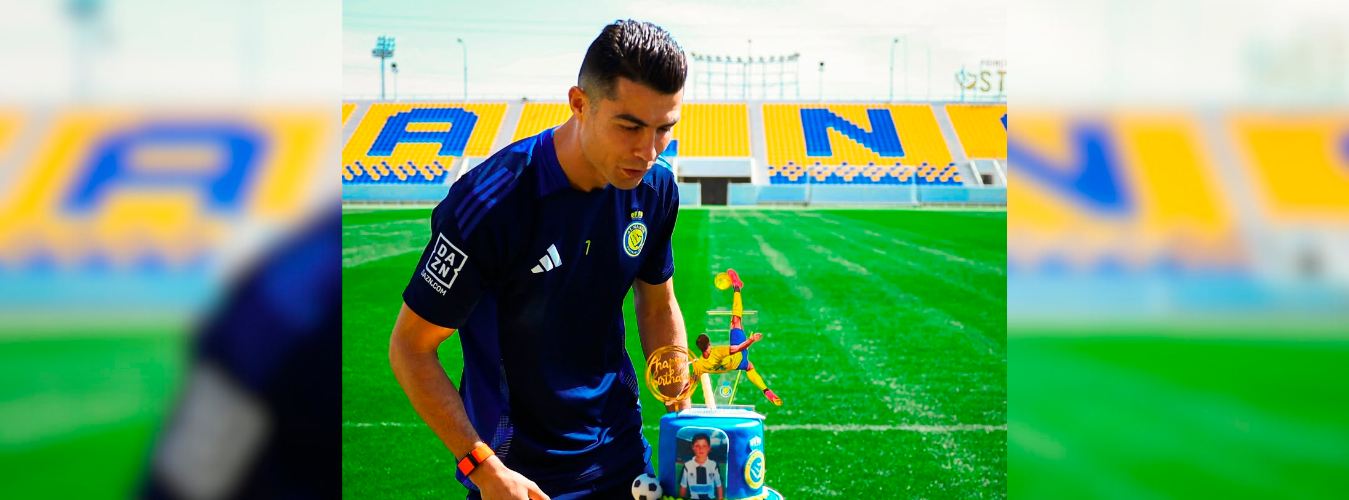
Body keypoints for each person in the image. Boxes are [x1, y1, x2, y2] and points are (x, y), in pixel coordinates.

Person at [388, 20, 691, 500]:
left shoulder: (656, 188)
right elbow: (410, 347)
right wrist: (484, 469)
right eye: (630, 126)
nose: (648, 151)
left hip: (623, 456)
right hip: (519, 475)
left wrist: (683, 411)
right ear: (579, 103)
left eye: (664, 130)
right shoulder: (492, 203)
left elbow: (657, 305)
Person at [690, 269, 783, 406]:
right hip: (738, 357)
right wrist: (752, 339)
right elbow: (738, 348)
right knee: (735, 320)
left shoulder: (699, 365)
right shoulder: (718, 351)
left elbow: (693, 380)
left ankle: (766, 390)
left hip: (738, 365)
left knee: (749, 366)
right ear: (709, 344)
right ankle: (737, 286)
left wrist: (682, 391)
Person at [678, 434, 723, 500]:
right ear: (693, 447)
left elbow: (719, 486)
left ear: (709, 448)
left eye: (704, 446)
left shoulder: (713, 465)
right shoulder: (687, 466)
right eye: (697, 446)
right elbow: (683, 487)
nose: (701, 449)